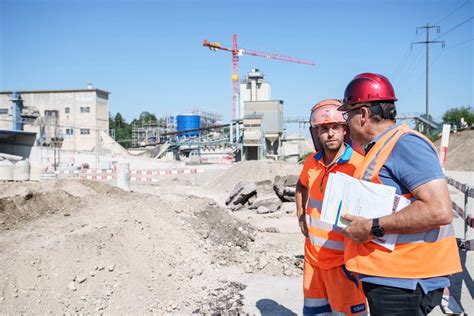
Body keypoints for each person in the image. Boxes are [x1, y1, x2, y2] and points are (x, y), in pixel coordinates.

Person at [338, 73, 462, 315]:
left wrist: (372, 227)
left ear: (363, 115)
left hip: (404, 282)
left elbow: (438, 209)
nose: (346, 122)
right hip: (392, 278)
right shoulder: (379, 148)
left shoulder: (405, 144)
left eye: (348, 114)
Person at [296, 99, 367, 316]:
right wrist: (300, 216)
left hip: (343, 265)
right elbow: (301, 186)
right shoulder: (311, 162)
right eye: (324, 129)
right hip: (313, 261)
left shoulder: (358, 165)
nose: (330, 134)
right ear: (317, 133)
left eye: (335, 127)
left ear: (345, 130)